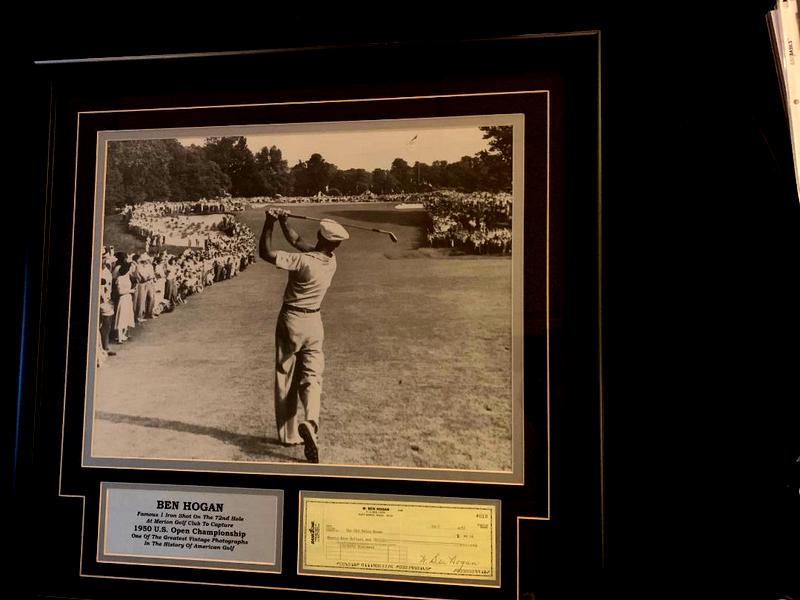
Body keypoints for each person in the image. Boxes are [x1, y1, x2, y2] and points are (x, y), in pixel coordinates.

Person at [259, 208, 349, 463]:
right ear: (336, 244)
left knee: (286, 376)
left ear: (320, 237)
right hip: (314, 323)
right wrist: (285, 222)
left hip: (292, 320)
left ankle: (289, 435)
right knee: (312, 376)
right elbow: (298, 242)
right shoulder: (331, 261)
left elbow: (265, 253)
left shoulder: (303, 261)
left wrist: (270, 223)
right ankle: (311, 421)